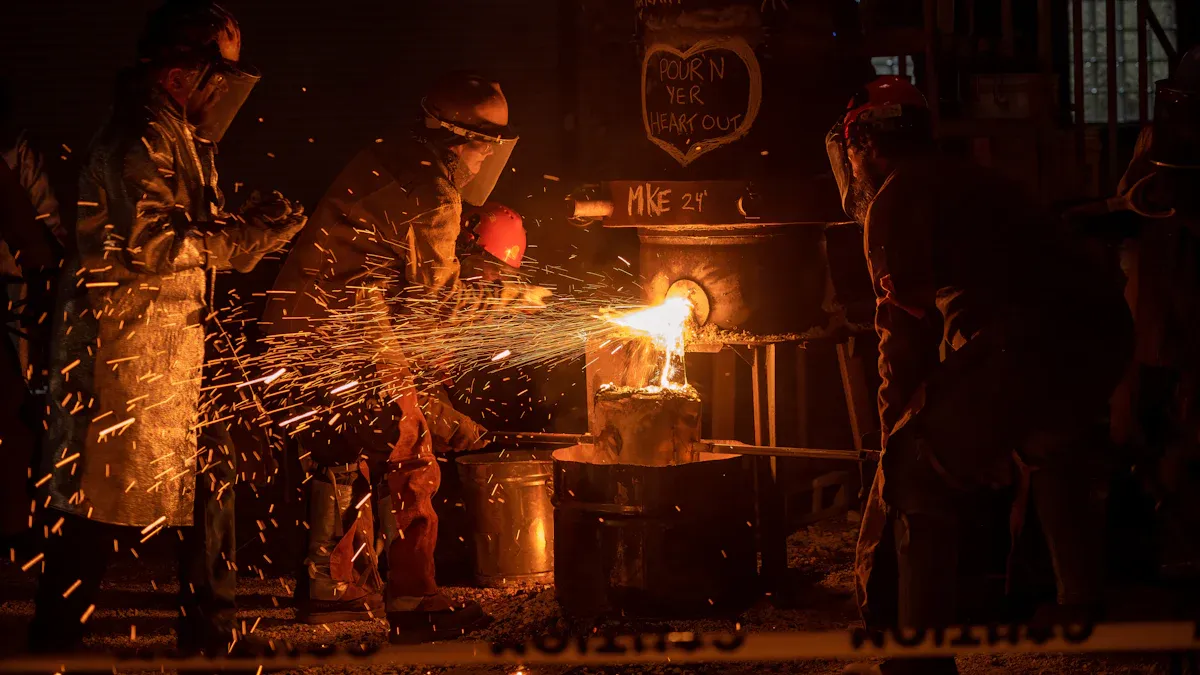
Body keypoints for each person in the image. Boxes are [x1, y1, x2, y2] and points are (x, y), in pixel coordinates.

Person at [827, 76, 1132, 675]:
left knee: (916, 472)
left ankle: (918, 663)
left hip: (1032, 344)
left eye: (854, 152)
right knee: (1049, 445)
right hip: (1103, 333)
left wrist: (898, 442)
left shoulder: (894, 198)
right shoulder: (969, 179)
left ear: (862, 143)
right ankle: (1079, 605)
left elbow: (904, 345)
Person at [29, 0, 306, 655]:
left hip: (170, 351)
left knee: (211, 469)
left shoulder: (178, 136)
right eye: (221, 72)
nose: (225, 88)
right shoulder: (140, 136)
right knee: (93, 498)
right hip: (121, 356)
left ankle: (210, 627)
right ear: (187, 70)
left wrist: (245, 223)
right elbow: (155, 244)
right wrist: (247, 236)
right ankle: (54, 634)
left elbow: (192, 231)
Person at [261, 72, 549, 643]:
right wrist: (513, 296)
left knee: (347, 451)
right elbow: (436, 306)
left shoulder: (390, 156)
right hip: (345, 330)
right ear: (466, 141)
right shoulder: (433, 191)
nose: (485, 156)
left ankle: (334, 588)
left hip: (306, 325)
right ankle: (417, 600)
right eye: (485, 144)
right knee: (409, 455)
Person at [0, 79, 65, 545]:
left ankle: (14, 523)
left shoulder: (13, 150)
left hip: (11, 295)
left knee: (16, 410)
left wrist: (48, 277)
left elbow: (39, 225)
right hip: (13, 293)